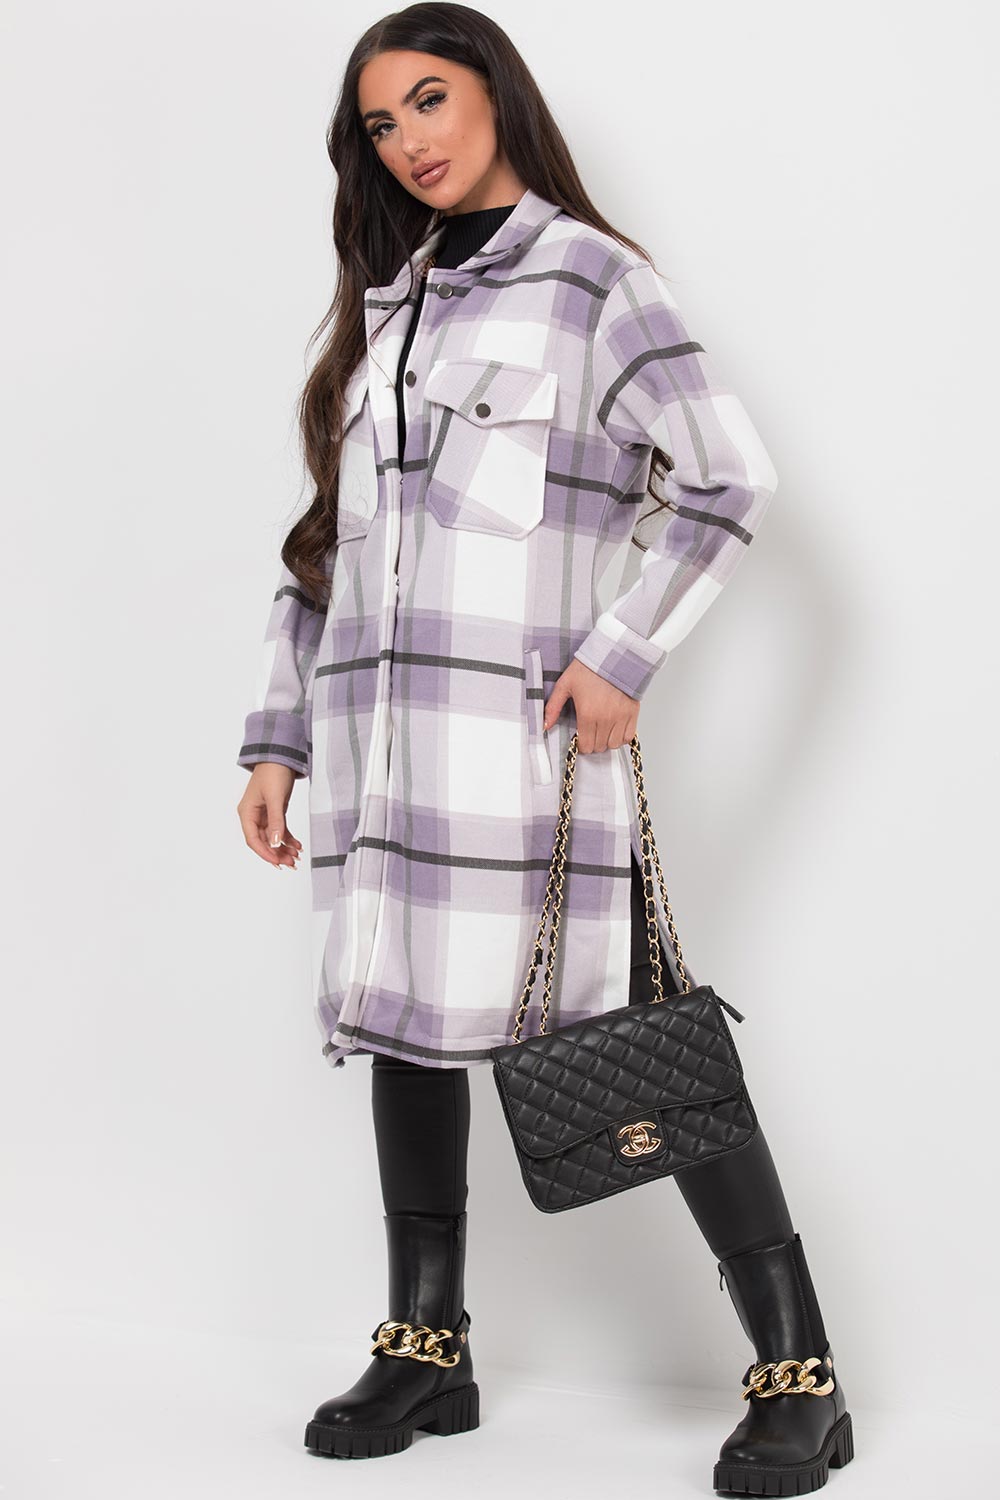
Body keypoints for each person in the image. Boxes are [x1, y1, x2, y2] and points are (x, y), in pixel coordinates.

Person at [234, 5, 854, 1492]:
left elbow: (727, 479)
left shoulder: (593, 283)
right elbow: (323, 551)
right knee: (402, 1021)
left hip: (523, 758)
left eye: (430, 100)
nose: (410, 140)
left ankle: (800, 1372)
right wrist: (276, 738)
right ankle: (425, 1343)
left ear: (497, 94)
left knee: (648, 1034)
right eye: (380, 124)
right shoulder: (387, 309)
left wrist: (622, 652)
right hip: (380, 759)